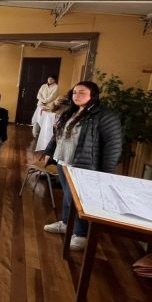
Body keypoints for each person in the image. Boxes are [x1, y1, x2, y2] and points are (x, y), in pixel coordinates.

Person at [42, 81, 122, 251]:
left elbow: (113, 145)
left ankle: (81, 233)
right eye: (74, 93)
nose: (77, 96)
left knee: (78, 199)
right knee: (66, 194)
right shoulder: (71, 111)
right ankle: (66, 223)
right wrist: (49, 152)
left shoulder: (105, 115)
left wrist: (106, 173)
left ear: (93, 95)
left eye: (82, 93)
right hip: (63, 159)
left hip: (83, 165)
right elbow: (58, 134)